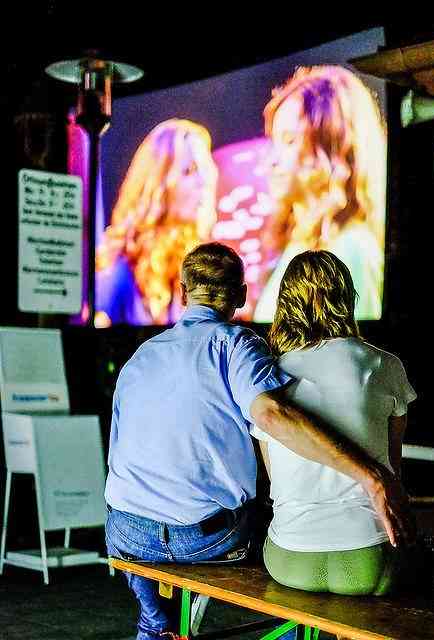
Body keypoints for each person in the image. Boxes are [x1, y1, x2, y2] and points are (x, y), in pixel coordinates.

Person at [105, 242, 412, 640]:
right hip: (208, 538)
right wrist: (370, 476)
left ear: (181, 292)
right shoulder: (239, 346)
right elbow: (271, 415)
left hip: (127, 533)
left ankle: (154, 621)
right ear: (242, 294)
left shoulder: (141, 356)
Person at [251, 251, 416, 617]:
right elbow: (393, 468)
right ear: (347, 297)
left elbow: (276, 480)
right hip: (369, 555)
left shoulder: (271, 379)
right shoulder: (384, 365)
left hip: (289, 557)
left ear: (286, 302)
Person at [254, 65, 386, 322]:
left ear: (332, 147)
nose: (271, 161)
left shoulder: (350, 249)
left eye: (290, 140)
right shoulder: (300, 243)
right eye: (274, 141)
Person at [95, 119, 218, 326]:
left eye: (205, 169)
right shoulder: (119, 270)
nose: (204, 182)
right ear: (158, 184)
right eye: (189, 170)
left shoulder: (196, 262)